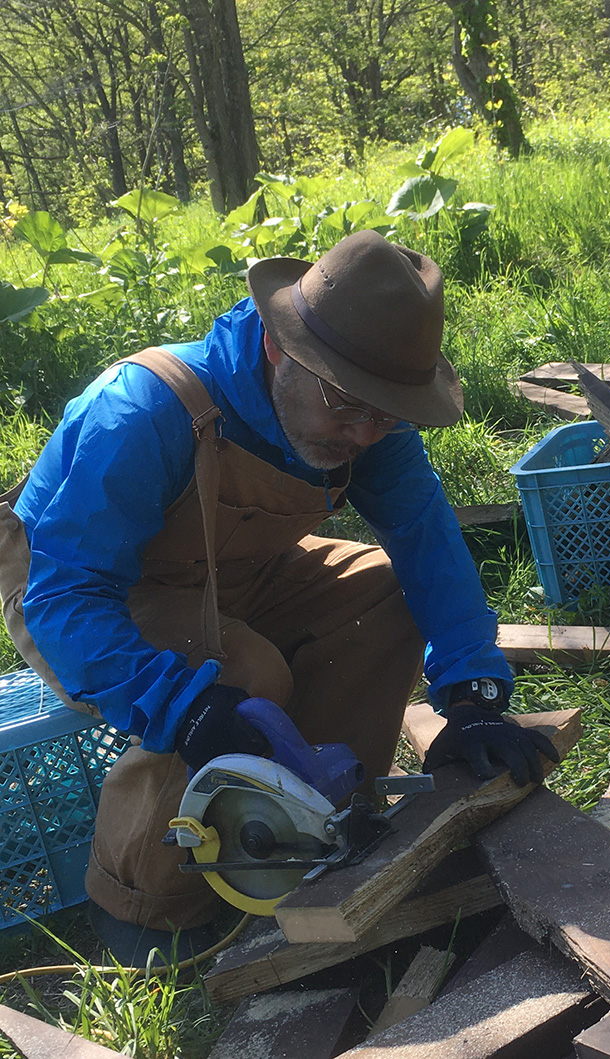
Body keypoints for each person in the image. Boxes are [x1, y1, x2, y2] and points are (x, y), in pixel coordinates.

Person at [0, 229, 557, 962]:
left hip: (231, 570)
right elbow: (64, 592)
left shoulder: (366, 416)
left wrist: (473, 688)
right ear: (276, 347)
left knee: (381, 592)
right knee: (236, 677)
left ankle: (326, 830)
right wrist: (185, 706)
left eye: (385, 413)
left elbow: (425, 540)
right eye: (346, 405)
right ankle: (144, 906)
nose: (364, 432)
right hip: (87, 592)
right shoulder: (142, 411)